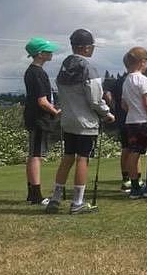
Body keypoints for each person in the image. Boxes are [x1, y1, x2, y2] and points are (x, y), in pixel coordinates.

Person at [44, 29, 114, 215]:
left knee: (67, 158)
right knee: (83, 159)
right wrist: (107, 113)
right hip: (86, 122)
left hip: (68, 120)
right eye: (91, 46)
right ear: (85, 47)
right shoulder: (88, 68)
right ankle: (77, 202)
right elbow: (95, 99)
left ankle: (56, 198)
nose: (92, 50)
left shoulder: (65, 66)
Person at [121, 46, 147, 199]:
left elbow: (124, 105)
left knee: (134, 152)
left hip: (131, 121)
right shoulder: (144, 80)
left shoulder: (126, 82)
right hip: (145, 121)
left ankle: (134, 187)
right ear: (142, 62)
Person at [23, 36, 61, 205]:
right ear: (39, 54)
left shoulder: (34, 71)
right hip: (39, 118)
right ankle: (36, 195)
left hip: (36, 117)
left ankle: (32, 193)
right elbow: (42, 101)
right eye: (47, 50)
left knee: (34, 155)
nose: (51, 52)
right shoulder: (36, 73)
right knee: (36, 156)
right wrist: (55, 111)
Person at [103, 66, 131, 192]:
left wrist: (113, 107)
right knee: (133, 149)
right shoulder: (133, 80)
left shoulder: (119, 81)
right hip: (131, 118)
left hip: (121, 117)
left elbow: (107, 93)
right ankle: (133, 179)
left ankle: (127, 179)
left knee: (126, 148)